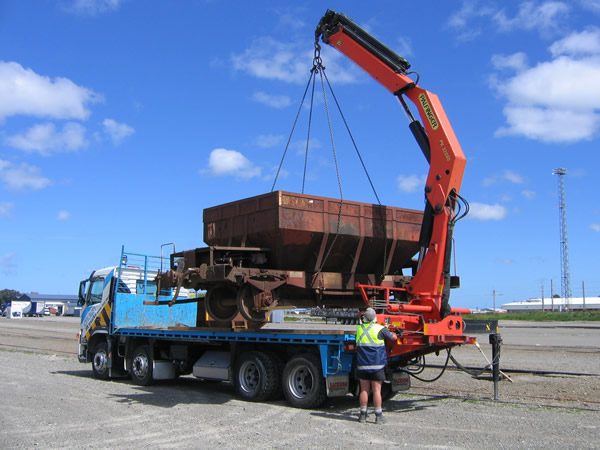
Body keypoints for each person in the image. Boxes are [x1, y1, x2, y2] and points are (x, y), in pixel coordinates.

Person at [356, 307, 396, 424]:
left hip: (363, 365)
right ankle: (378, 416)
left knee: (364, 390)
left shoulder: (359, 329)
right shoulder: (380, 329)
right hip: (377, 366)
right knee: (376, 391)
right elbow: (393, 337)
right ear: (375, 318)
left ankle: (363, 415)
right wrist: (391, 331)